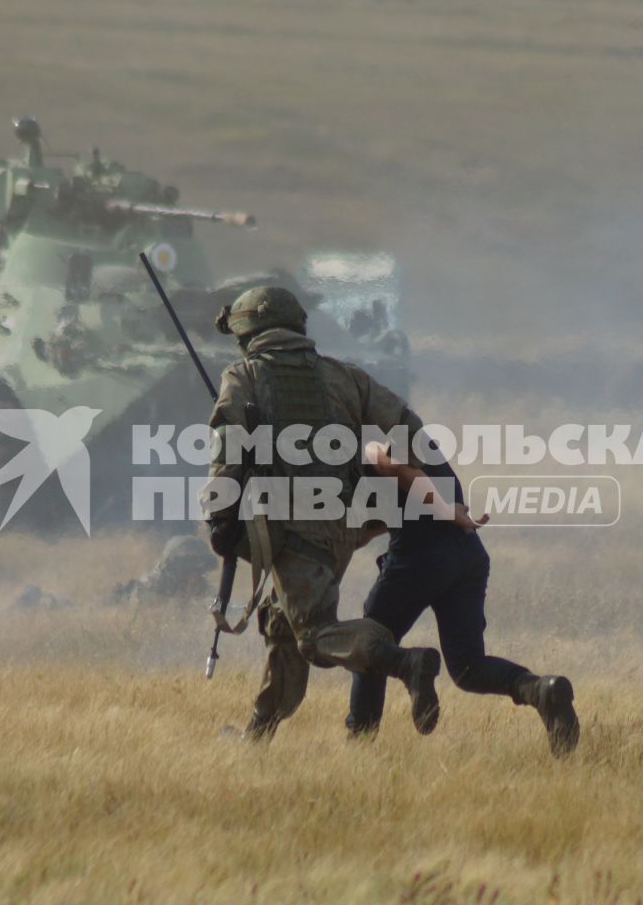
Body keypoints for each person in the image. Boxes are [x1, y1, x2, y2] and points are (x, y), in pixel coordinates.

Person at [203, 285, 442, 741]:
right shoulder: (343, 376)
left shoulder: (244, 374)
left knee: (313, 635)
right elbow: (410, 430)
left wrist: (218, 513)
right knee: (283, 626)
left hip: (290, 528)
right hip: (342, 526)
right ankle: (258, 735)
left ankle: (406, 663)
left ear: (247, 331)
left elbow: (227, 445)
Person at [344, 443, 580, 756]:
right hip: (467, 556)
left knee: (369, 642)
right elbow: (399, 503)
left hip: (419, 558)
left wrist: (446, 511)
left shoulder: (376, 441)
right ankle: (541, 691)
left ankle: (360, 741)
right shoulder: (415, 436)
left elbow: (399, 470)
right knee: (469, 667)